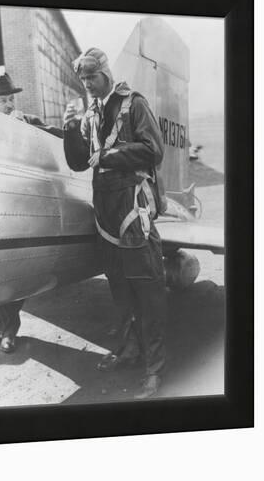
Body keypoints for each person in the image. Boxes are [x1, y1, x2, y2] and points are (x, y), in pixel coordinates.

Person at [63, 48, 167, 399]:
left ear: (105, 72)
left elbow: (154, 150)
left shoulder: (132, 102)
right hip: (105, 209)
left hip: (132, 207)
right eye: (83, 79)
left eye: (92, 76)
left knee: (147, 289)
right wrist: (69, 130)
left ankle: (155, 370)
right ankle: (130, 350)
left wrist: (108, 154)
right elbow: (80, 164)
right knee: (119, 287)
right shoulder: (90, 113)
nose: (88, 84)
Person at [0, 73, 63, 353]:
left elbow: (56, 134)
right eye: (2, 99)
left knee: (15, 276)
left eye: (10, 99)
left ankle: (7, 330)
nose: (7, 104)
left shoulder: (25, 122)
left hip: (25, 207)